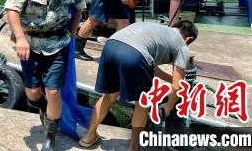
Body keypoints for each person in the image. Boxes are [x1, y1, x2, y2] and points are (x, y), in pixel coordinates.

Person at [5, 0, 85, 151]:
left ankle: (50, 136)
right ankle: (45, 110)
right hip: (29, 43)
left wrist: (71, 31)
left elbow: (79, 7)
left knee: (54, 91)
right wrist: (20, 38)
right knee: (33, 93)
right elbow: (11, 9)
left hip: (58, 43)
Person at [79, 21, 198, 151]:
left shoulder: (157, 29)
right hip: (135, 55)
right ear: (189, 39)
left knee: (110, 95)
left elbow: (149, 65)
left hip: (111, 46)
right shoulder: (182, 46)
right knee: (142, 102)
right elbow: (177, 87)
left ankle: (88, 137)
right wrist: (168, 106)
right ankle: (134, 147)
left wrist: (171, 79)